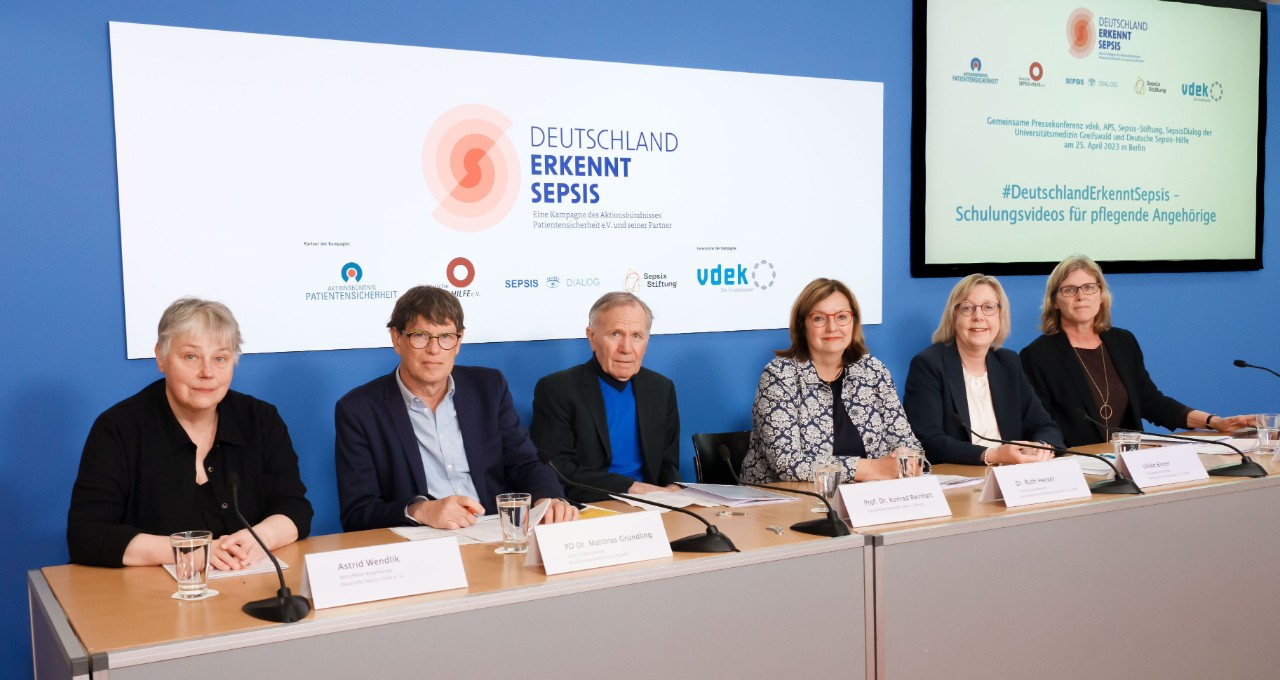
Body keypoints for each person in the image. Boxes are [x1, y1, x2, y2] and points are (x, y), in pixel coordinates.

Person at [67, 298, 312, 569]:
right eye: (191, 357)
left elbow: (295, 509)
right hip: (149, 597)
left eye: (220, 358)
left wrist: (259, 538)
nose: (207, 373)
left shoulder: (261, 419)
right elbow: (87, 535)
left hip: (246, 579)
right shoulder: (118, 429)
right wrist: (188, 552)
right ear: (160, 356)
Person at [335, 285, 577, 532]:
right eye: (420, 336)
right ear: (397, 339)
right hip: (423, 540)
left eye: (446, 337)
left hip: (495, 532)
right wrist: (421, 510)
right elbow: (358, 512)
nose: (434, 349)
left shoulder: (488, 388)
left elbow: (526, 462)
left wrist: (548, 497)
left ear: (459, 341)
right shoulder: (359, 410)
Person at [1019, 255, 1254, 447]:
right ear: (1055, 301)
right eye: (1069, 290)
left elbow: (1152, 402)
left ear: (1101, 296)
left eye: (1089, 287)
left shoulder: (1122, 342)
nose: (1081, 296)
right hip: (1079, 466)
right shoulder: (1038, 356)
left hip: (1131, 462)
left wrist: (1215, 422)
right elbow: (1040, 428)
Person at [740, 278, 921, 484]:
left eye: (842, 317)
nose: (832, 327)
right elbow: (787, 464)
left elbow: (907, 442)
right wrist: (874, 468)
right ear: (802, 326)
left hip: (865, 499)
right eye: (819, 319)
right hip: (783, 505)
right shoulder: (779, 375)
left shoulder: (872, 370)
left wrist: (907, 462)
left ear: (853, 322)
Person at [530, 292, 681, 503]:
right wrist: (630, 488)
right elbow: (559, 470)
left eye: (636, 336)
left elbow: (668, 463)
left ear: (647, 341)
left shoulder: (661, 389)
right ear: (592, 338)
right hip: (590, 507)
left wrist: (674, 488)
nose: (626, 349)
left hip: (654, 505)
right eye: (616, 334)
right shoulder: (557, 389)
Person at [904, 274, 1064, 465]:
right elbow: (928, 442)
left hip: (1013, 476)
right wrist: (992, 455)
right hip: (962, 480)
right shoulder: (929, 365)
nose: (978, 316)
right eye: (967, 308)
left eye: (988, 308)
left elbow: (1046, 426)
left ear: (1000, 316)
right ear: (953, 317)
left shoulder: (1008, 362)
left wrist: (1040, 447)